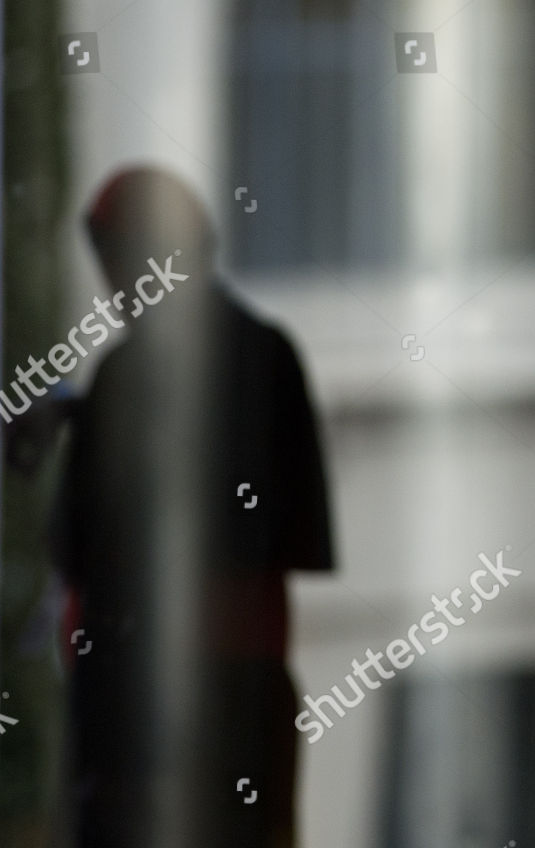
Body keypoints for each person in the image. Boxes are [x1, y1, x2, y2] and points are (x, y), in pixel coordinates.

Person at [51, 166, 334, 847]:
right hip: (243, 705)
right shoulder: (269, 356)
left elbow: (84, 547)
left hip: (144, 708)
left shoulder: (128, 377)